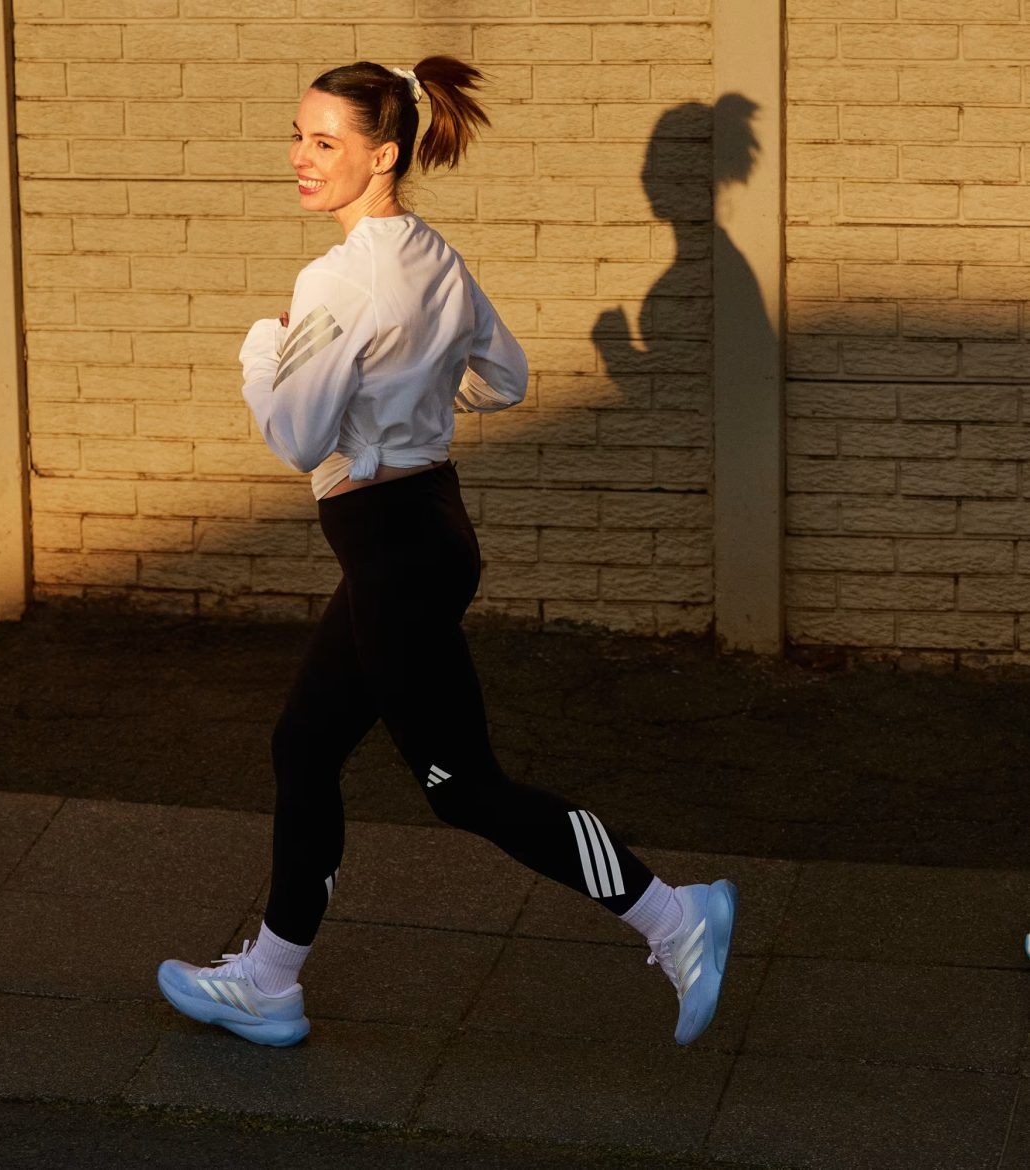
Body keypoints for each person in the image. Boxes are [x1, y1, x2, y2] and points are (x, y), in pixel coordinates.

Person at [157, 56, 737, 1049]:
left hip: (393, 552)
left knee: (465, 788)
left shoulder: (336, 278)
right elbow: (501, 378)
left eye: (325, 142)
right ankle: (271, 981)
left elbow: (296, 435)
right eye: (298, 135)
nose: (301, 157)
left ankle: (673, 915)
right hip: (423, 535)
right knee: (305, 744)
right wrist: (411, 391)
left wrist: (262, 348)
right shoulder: (431, 252)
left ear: (383, 155)